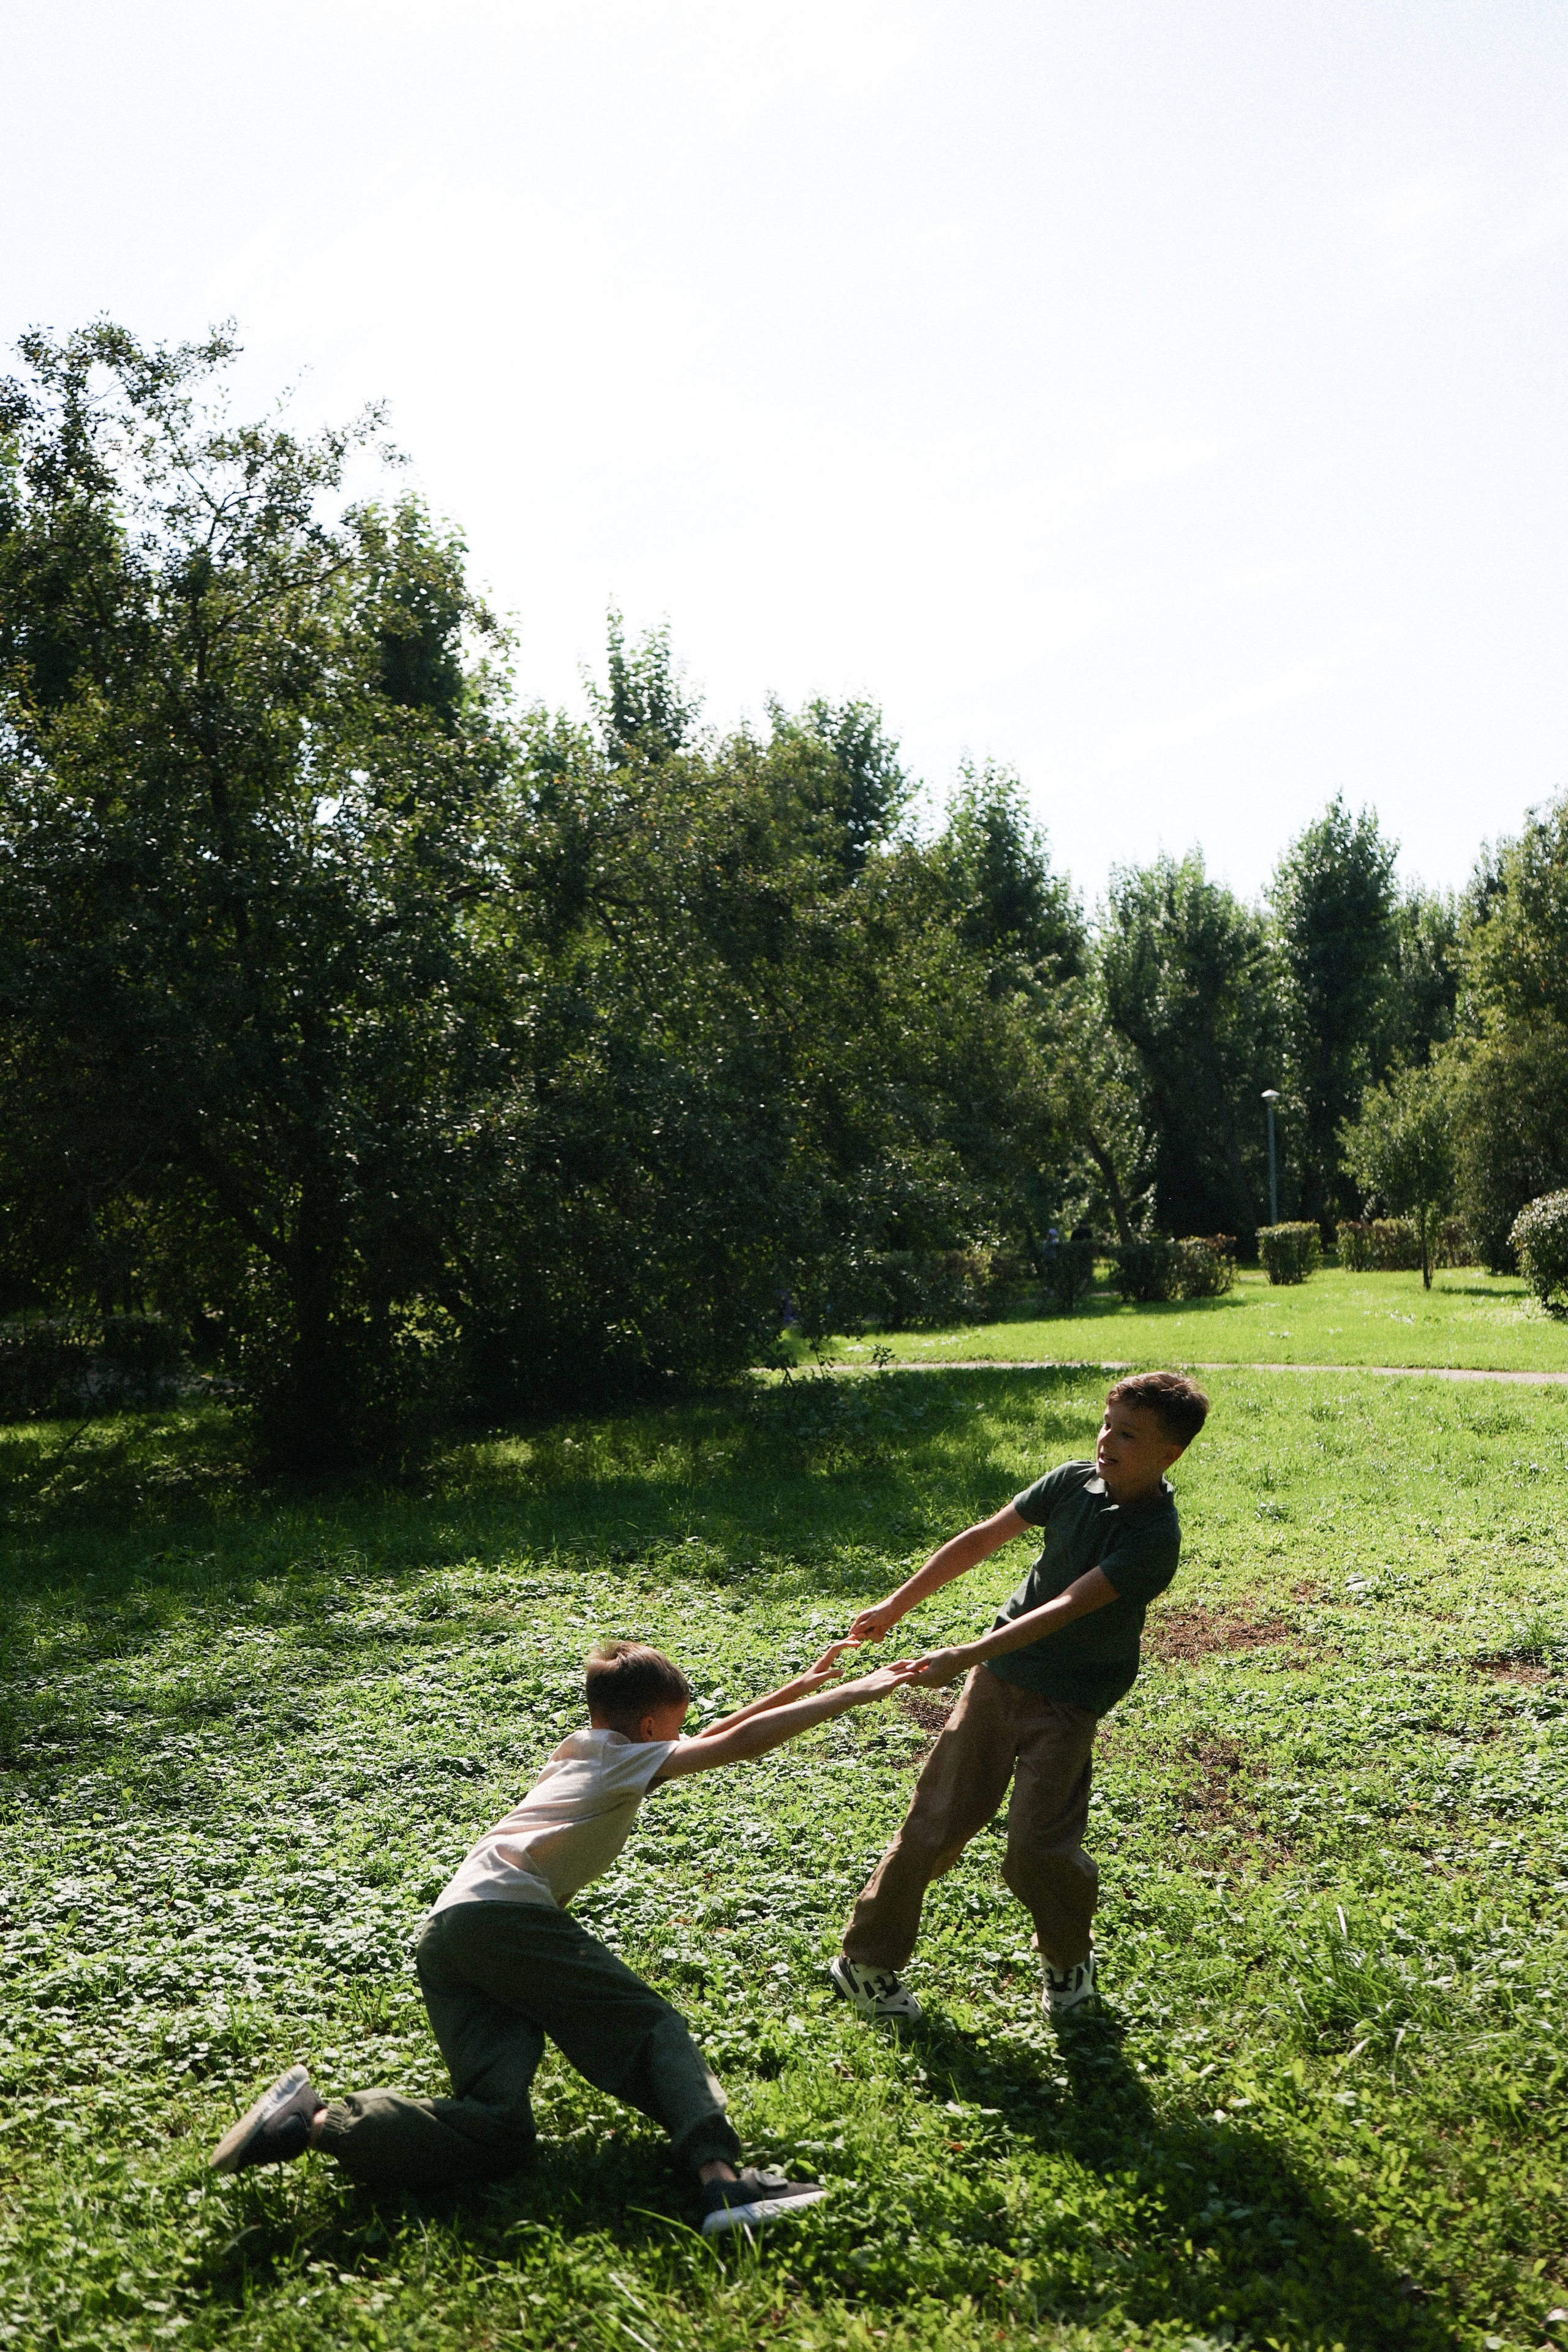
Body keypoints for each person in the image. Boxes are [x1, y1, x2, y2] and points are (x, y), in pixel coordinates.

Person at [211, 1636, 910, 2235]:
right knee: (650, 2028)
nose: (680, 1738)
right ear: (643, 1727)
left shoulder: (589, 1748)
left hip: (451, 1933)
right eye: (672, 1726)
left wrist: (805, 1684)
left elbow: (707, 1739)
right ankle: (722, 2181)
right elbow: (738, 1747)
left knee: (497, 2128)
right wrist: (859, 1693)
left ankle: (312, 2123)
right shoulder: (623, 1758)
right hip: (506, 1920)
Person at [830, 1370, 1209, 2026]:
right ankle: (864, 1962)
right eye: (1106, 1424)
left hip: (1066, 1701)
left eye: (1127, 1434)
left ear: (1168, 1454)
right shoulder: (1071, 1483)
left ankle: (1068, 1962)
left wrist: (965, 1654)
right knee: (934, 1824)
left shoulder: (1155, 1539)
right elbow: (982, 1537)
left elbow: (1068, 1606)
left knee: (1038, 1851)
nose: (1106, 1441)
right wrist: (896, 1605)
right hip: (998, 1683)